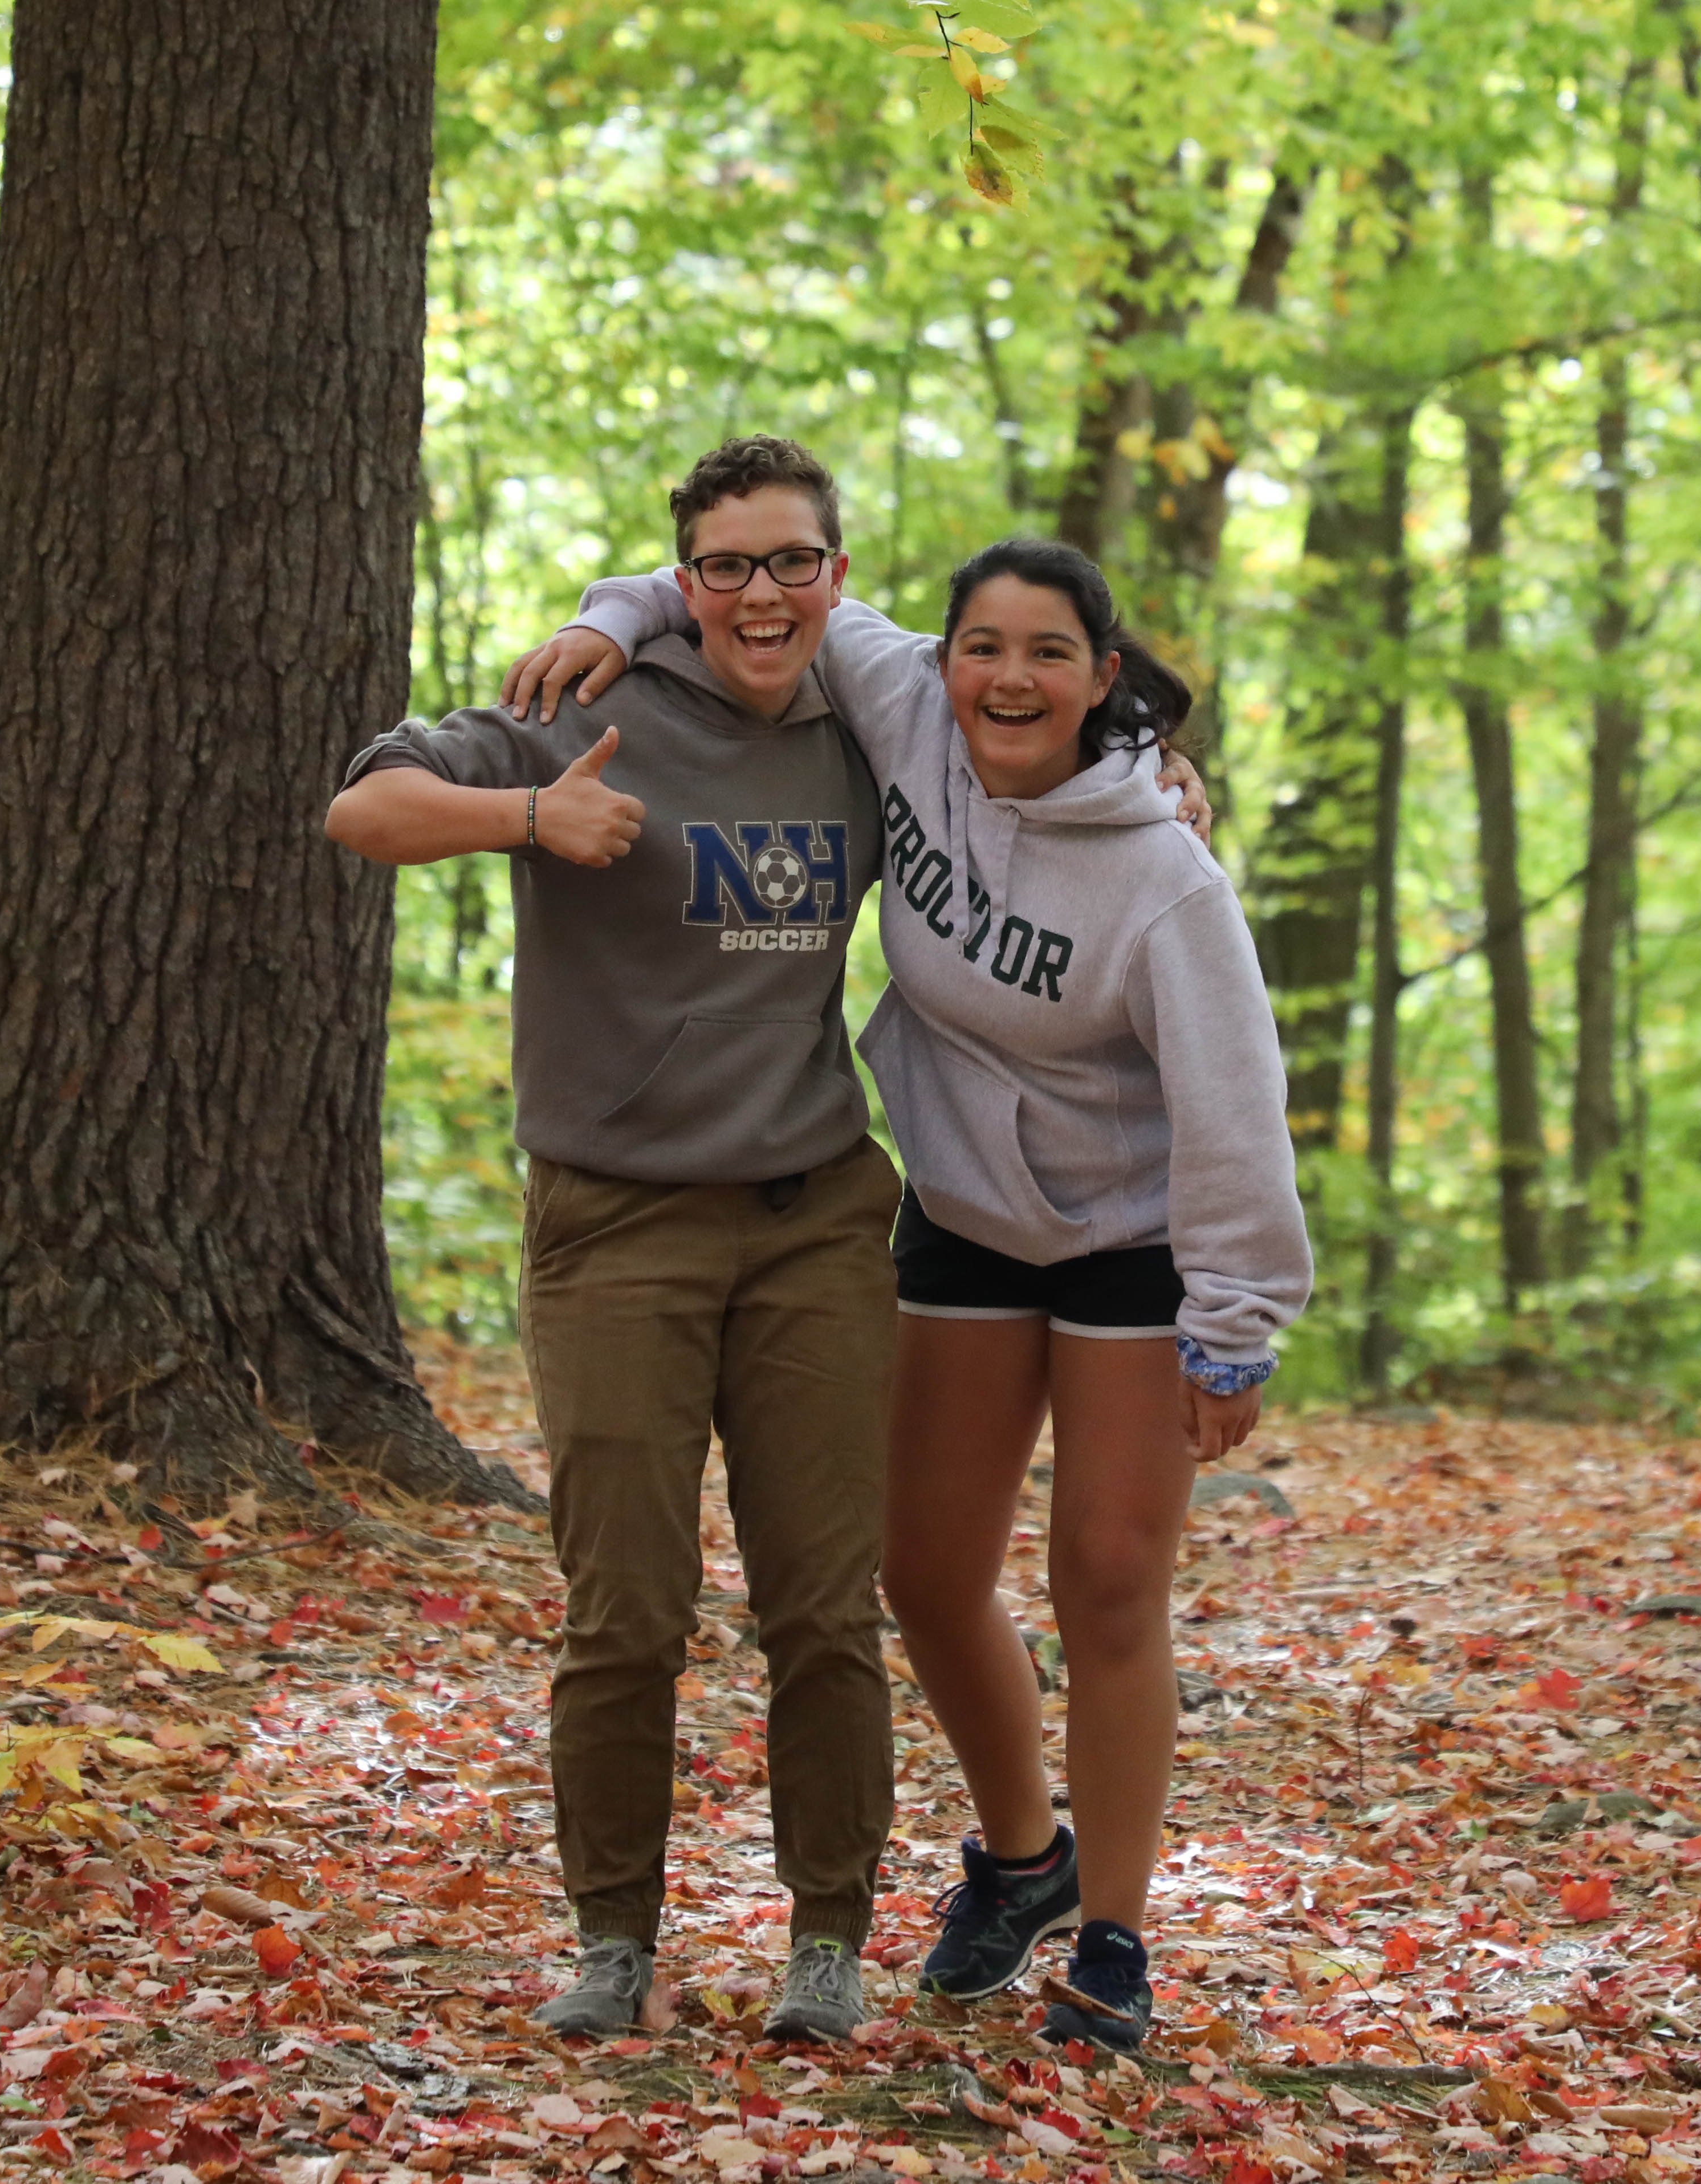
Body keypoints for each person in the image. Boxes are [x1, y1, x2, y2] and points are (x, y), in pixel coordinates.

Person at [328, 436, 1203, 2045]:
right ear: (685, 577)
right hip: (614, 1223)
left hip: (814, 1219)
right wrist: (526, 817)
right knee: (626, 1608)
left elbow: (1037, 726)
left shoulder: (873, 727)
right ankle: (610, 1938)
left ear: (834, 580)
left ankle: (828, 1939)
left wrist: (1149, 771)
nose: (760, 593)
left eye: (791, 562)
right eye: (724, 565)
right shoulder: (587, 699)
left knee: (824, 1603)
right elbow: (362, 808)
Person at [515, 537, 1311, 2053]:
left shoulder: (1162, 874)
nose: (1008, 678)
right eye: (982, 647)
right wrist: (601, 620)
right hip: (965, 1216)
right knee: (925, 1574)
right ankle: (1022, 1862)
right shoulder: (906, 716)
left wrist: (1233, 1323)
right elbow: (759, 587)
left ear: (1105, 681)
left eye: (1048, 655)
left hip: (1138, 1240)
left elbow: (1233, 1111)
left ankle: (1117, 1942)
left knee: (1105, 1580)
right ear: (941, 661)